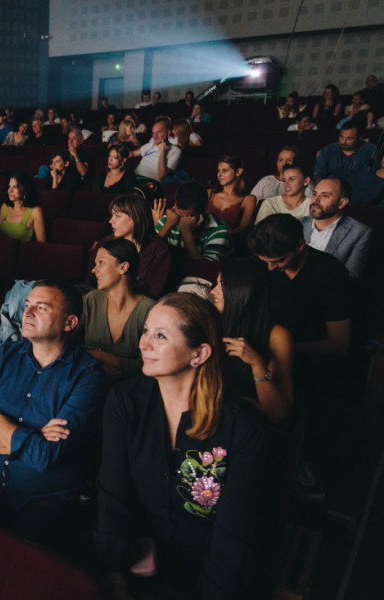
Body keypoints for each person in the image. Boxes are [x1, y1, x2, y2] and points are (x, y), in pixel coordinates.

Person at [96, 293, 266, 599]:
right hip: (134, 557)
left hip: (201, 572)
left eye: (160, 335)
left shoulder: (242, 427)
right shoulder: (125, 401)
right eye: (146, 330)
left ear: (199, 353)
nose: (144, 343)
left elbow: (232, 538)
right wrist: (116, 573)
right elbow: (113, 496)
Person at [0, 281, 107, 549]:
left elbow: (45, 457)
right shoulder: (5, 355)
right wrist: (33, 437)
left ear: (69, 322)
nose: (27, 313)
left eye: (41, 307)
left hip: (47, 496)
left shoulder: (88, 376)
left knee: (15, 558)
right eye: (27, 305)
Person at [248, 214, 350, 359]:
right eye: (266, 261)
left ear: (301, 245)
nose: (270, 268)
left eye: (279, 261)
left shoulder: (330, 274)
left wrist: (283, 347)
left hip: (308, 358)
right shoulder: (263, 262)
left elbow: (339, 345)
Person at [211, 259, 293, 424]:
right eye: (216, 283)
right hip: (216, 415)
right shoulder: (212, 322)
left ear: (241, 291)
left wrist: (257, 364)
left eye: (222, 285)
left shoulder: (277, 335)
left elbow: (278, 414)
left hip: (250, 424)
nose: (213, 292)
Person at [83, 239, 156, 379]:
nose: (94, 269)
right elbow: (66, 342)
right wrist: (100, 366)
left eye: (101, 262)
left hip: (130, 389)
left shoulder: (150, 310)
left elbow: (143, 364)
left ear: (123, 267)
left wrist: (96, 354)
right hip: (88, 379)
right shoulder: (92, 299)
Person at [88, 194, 170, 298]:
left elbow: (154, 290)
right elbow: (90, 280)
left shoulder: (158, 248)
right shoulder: (104, 244)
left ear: (136, 218)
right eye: (112, 216)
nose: (110, 221)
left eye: (117, 216)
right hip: (103, 300)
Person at [299, 177, 371, 278]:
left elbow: (351, 277)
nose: (316, 200)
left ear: (342, 203)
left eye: (325, 196)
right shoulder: (298, 223)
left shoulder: (359, 232)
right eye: (314, 194)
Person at [153, 183, 231, 262]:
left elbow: (204, 271)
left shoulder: (219, 229)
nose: (181, 221)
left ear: (203, 211)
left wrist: (186, 232)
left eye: (187, 217)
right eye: (178, 216)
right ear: (175, 205)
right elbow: (150, 255)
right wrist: (167, 226)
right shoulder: (169, 219)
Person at [314, 121, 379, 203]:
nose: (343, 141)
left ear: (360, 138)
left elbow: (374, 178)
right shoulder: (329, 149)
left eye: (349, 138)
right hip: (332, 192)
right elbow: (318, 175)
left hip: (361, 194)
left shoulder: (370, 150)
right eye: (341, 137)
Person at [207, 154, 257, 236]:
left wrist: (218, 236)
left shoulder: (249, 199)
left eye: (224, 170)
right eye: (218, 170)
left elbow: (244, 228)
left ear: (238, 172)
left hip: (229, 242)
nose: (219, 174)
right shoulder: (209, 193)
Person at [0, 172, 46, 242]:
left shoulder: (35, 211)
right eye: (9, 186)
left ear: (25, 190)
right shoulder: (4, 207)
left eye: (15, 187)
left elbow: (41, 244)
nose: (10, 191)